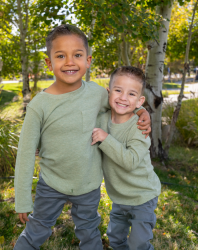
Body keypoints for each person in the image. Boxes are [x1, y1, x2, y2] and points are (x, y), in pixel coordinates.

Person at [14, 25, 151, 250]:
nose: (70, 62)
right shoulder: (39, 105)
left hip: (88, 184)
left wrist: (141, 111)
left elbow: (122, 104)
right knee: (36, 230)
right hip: (52, 183)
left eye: (77, 55)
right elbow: (26, 154)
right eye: (60, 56)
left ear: (88, 60)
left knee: (89, 232)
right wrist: (22, 199)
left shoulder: (97, 93)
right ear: (49, 63)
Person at [92, 66, 161, 250]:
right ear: (108, 92)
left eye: (131, 94)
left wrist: (106, 139)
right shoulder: (101, 120)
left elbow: (130, 162)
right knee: (115, 237)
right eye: (118, 90)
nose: (123, 97)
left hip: (143, 195)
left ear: (140, 100)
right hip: (119, 197)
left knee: (138, 243)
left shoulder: (139, 127)